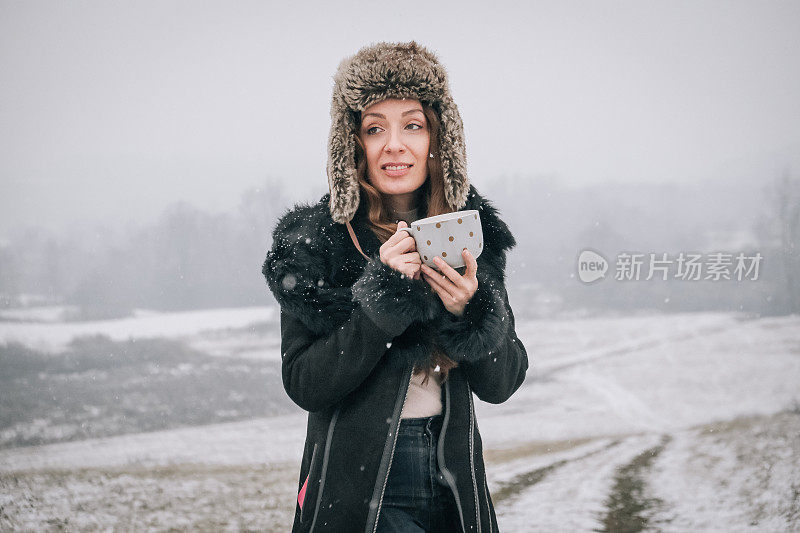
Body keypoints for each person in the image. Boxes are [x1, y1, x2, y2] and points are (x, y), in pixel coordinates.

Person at [262, 41, 529, 533]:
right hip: (358, 485)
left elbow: (503, 382)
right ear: (352, 145)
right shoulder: (313, 241)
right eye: (374, 129)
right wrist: (380, 301)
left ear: (438, 139)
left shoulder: (471, 235)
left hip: (456, 478)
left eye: (412, 125)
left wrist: (469, 313)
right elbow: (306, 384)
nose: (394, 145)